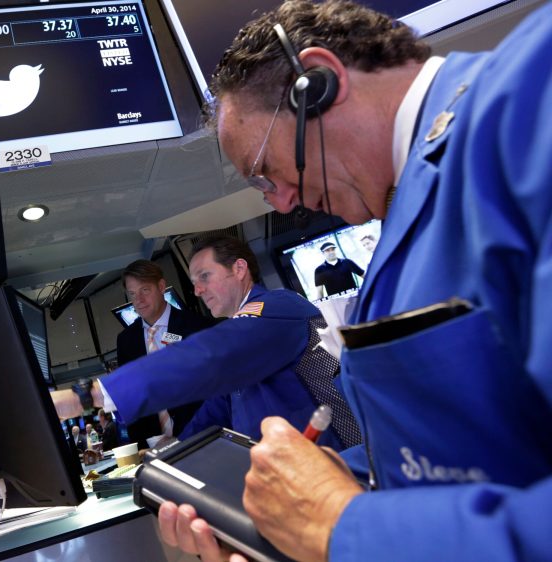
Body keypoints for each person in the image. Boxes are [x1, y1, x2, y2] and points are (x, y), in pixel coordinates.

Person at [157, 1, 552, 561]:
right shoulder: (399, 220)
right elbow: (442, 456)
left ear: (317, 84)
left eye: (267, 173)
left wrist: (341, 528)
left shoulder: (534, 90)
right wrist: (299, 508)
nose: (285, 203)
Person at [102, 235, 360, 448]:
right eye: (194, 282)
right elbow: (218, 405)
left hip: (330, 462)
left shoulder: (277, 306)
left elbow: (213, 355)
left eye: (205, 276)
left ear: (239, 269)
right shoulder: (243, 324)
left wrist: (105, 392)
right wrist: (179, 448)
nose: (198, 290)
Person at [116, 259, 214, 449]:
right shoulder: (126, 340)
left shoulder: (197, 327)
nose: (138, 301)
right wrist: (142, 445)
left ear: (161, 286)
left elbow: (211, 390)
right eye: (132, 294)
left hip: (201, 438)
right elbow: (131, 397)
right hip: (155, 447)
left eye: (145, 290)